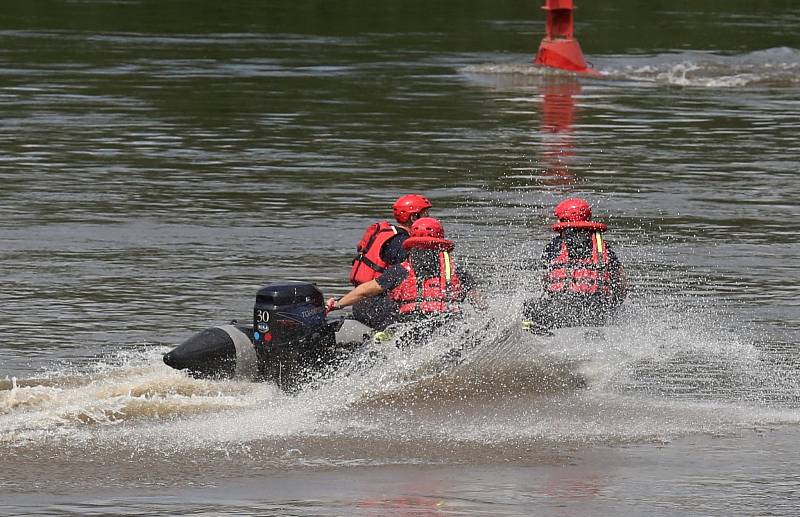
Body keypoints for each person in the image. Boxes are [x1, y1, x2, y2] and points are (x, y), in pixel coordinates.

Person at [328, 217, 479, 332]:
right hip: (448, 325)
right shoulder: (457, 272)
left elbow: (363, 291)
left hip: (411, 326)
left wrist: (337, 304)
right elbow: (479, 302)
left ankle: (383, 334)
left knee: (362, 305)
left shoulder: (401, 270)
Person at [523, 198, 628, 330]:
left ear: (565, 220)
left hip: (562, 310)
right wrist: (610, 306)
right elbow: (621, 285)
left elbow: (546, 281)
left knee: (529, 307)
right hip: (597, 312)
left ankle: (538, 339)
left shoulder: (554, 246)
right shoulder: (604, 248)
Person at [348, 194, 432, 328]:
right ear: (413, 218)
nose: (429, 219)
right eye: (426, 214)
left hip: (364, 302)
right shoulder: (400, 243)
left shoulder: (392, 235)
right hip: (376, 304)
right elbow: (409, 273)